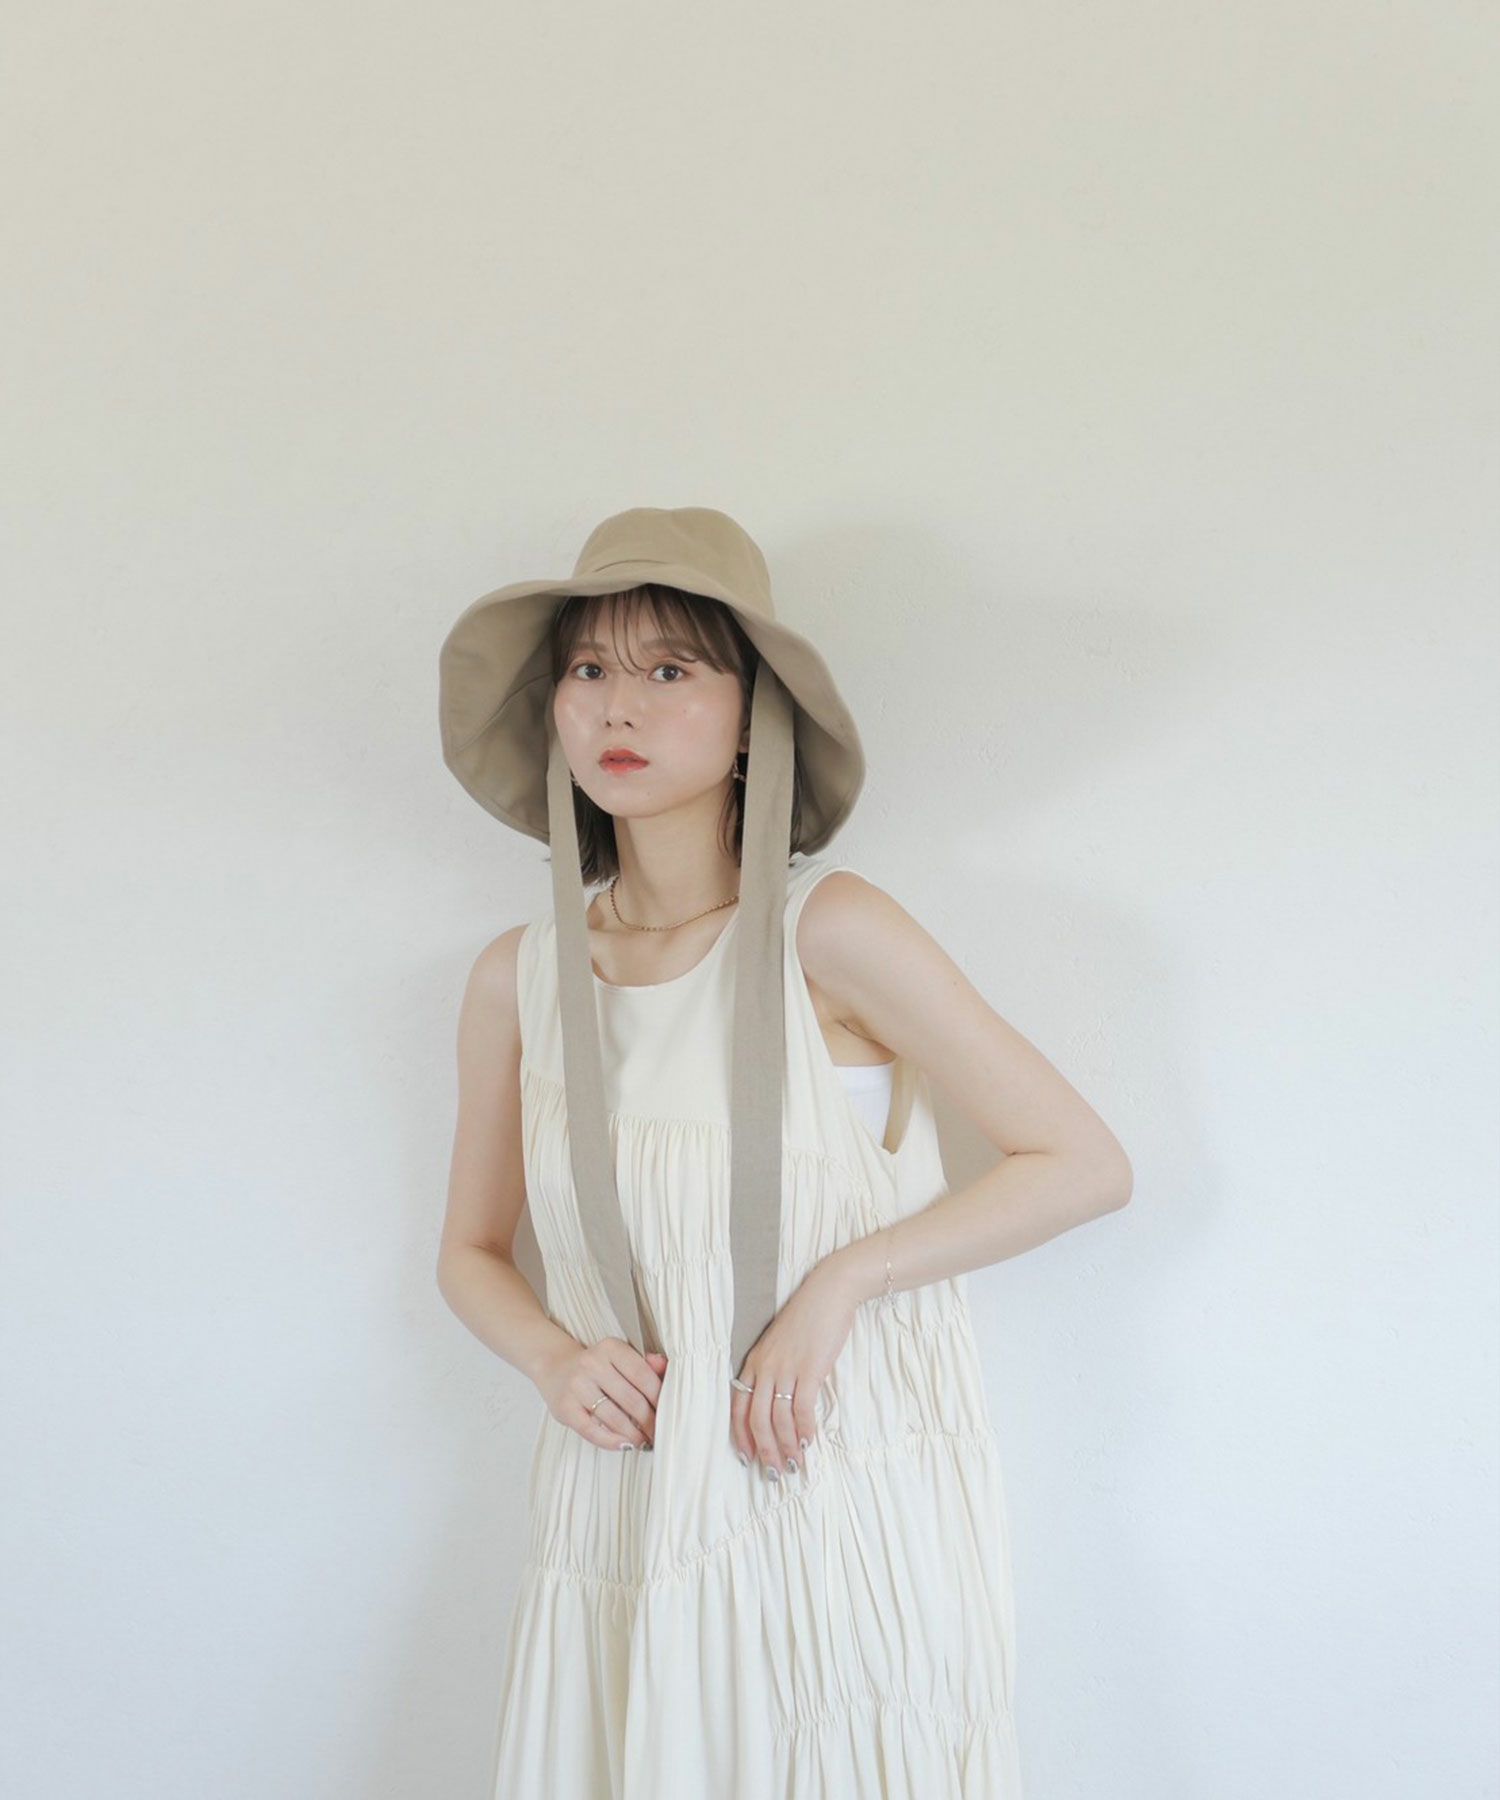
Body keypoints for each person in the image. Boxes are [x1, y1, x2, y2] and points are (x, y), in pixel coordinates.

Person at [435, 506, 1132, 1798]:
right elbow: (471, 1250)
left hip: (823, 1499)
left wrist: (843, 1281)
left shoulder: (833, 932)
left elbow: (1081, 1162)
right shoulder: (516, 979)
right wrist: (551, 1358)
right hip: (618, 1512)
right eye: (587, 668)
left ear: (756, 714)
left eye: (669, 668)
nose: (618, 705)